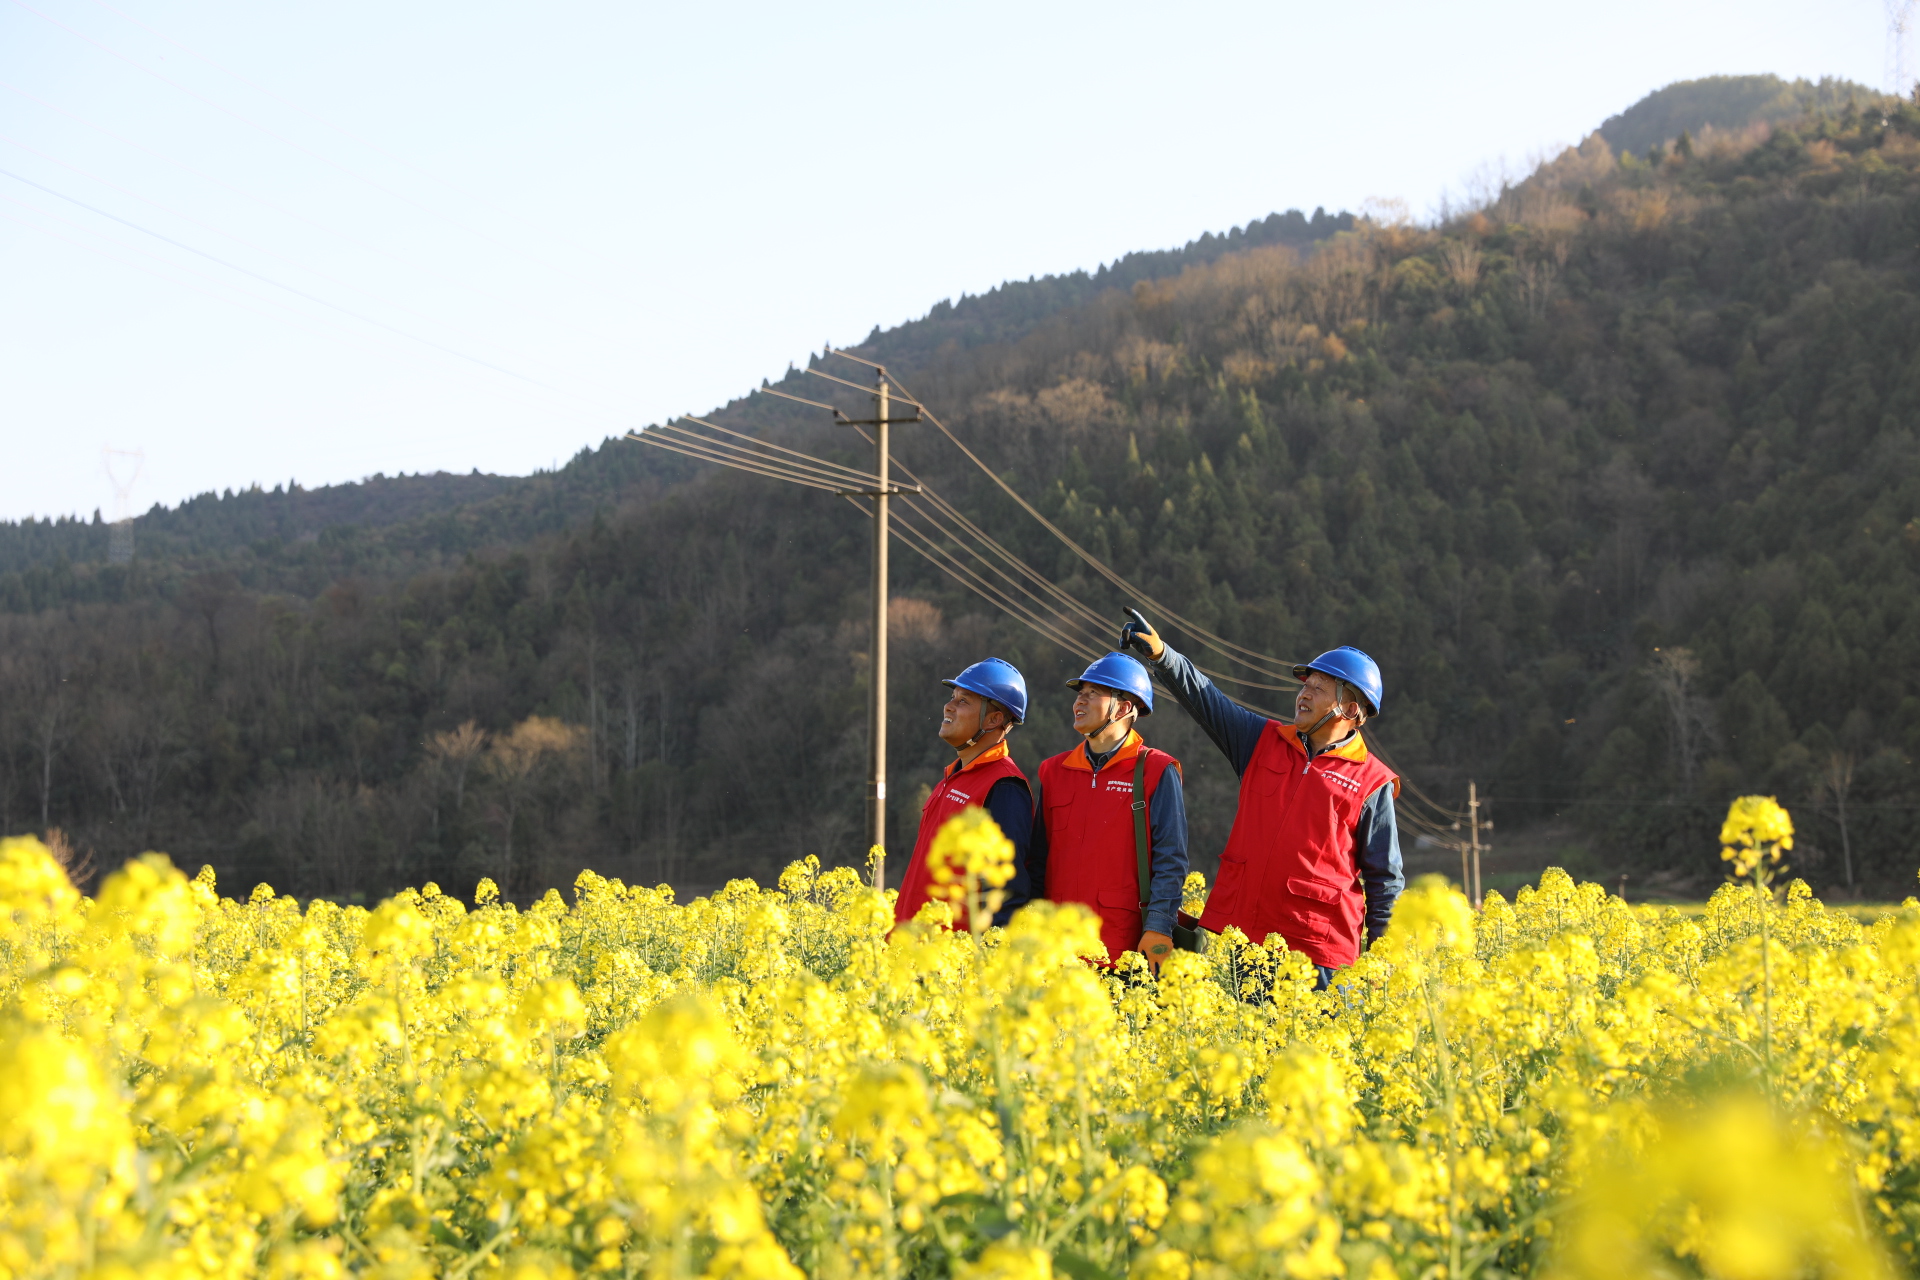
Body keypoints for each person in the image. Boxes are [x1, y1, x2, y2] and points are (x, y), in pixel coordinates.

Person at [1120, 613, 1402, 988]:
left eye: (1318, 688)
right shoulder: (1263, 741)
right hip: (1246, 945)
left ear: (1351, 709)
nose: (1303, 694)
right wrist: (1161, 656)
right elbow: (1208, 701)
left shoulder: (1372, 781)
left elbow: (1385, 881)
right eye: (1305, 686)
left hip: (1319, 955)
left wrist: (1383, 965)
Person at [1027, 652, 1189, 970]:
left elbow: (1171, 860)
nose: (1079, 703)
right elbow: (1037, 862)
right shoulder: (1053, 771)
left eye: (1093, 694)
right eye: (1079, 694)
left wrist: (1158, 929)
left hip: (1121, 951)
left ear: (1125, 707)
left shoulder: (1157, 769)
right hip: (1054, 951)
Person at [893, 657, 1036, 931]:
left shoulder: (1004, 786)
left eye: (964, 701)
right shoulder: (952, 777)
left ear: (994, 719)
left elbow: (1005, 894)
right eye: (952, 697)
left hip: (950, 965)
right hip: (911, 954)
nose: (948, 706)